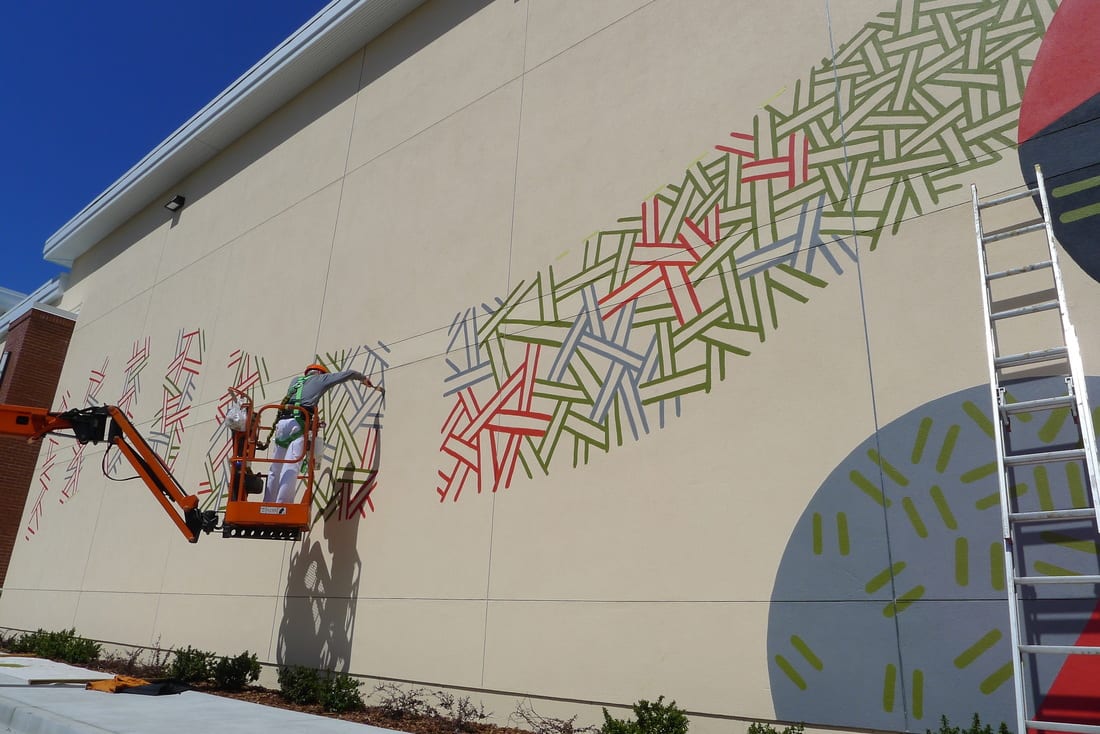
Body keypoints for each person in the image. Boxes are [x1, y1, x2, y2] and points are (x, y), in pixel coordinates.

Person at [265, 362, 377, 504]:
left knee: (275, 467)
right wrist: (362, 379)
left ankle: (267, 502)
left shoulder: (295, 381)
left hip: (282, 424)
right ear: (320, 373)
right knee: (291, 466)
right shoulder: (322, 379)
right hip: (298, 424)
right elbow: (348, 374)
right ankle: (282, 506)